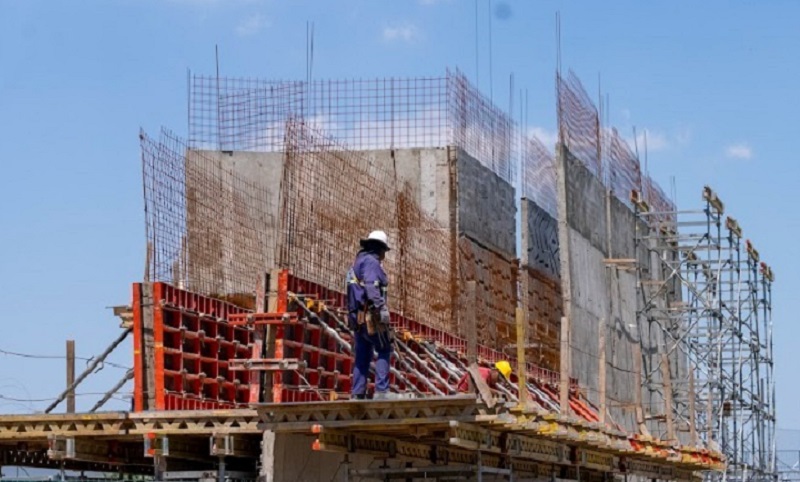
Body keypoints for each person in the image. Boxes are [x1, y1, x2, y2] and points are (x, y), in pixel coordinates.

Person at [347, 230, 393, 400]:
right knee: (384, 347)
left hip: (356, 317)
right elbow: (371, 286)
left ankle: (357, 392)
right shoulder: (371, 263)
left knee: (363, 353)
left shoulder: (358, 263)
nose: (383, 256)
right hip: (370, 315)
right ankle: (381, 391)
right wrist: (381, 308)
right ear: (379, 249)